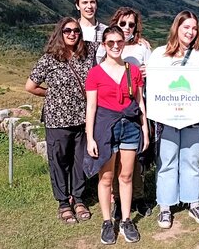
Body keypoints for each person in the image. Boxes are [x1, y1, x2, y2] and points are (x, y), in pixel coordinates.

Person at [25, 17, 99, 224]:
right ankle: (63, 202)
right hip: (57, 119)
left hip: (83, 118)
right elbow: (30, 86)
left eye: (76, 30)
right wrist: (51, 94)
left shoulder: (89, 52)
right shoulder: (49, 59)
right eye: (67, 31)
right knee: (58, 161)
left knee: (79, 161)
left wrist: (140, 42)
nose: (72, 34)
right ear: (60, 33)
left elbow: (115, 41)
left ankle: (78, 198)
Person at [84, 26, 150, 244]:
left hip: (130, 127)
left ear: (124, 43)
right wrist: (90, 136)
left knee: (127, 176)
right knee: (106, 178)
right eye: (110, 42)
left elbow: (140, 102)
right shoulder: (95, 73)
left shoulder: (133, 70)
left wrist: (145, 130)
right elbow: (91, 107)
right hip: (105, 128)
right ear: (104, 45)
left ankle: (126, 219)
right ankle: (106, 221)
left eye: (119, 42)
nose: (115, 46)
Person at [147, 10, 199, 229]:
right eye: (186, 27)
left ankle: (193, 202)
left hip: (194, 119)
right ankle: (165, 207)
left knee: (192, 160)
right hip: (166, 120)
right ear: (177, 28)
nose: (190, 32)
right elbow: (150, 85)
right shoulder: (159, 54)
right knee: (166, 161)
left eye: (194, 28)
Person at [108, 7, 153, 219]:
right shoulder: (108, 45)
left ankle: (138, 196)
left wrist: (147, 71)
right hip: (112, 110)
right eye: (123, 23)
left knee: (135, 157)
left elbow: (154, 73)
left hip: (136, 107)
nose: (127, 28)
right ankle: (117, 198)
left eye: (131, 24)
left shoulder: (142, 48)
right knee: (116, 157)